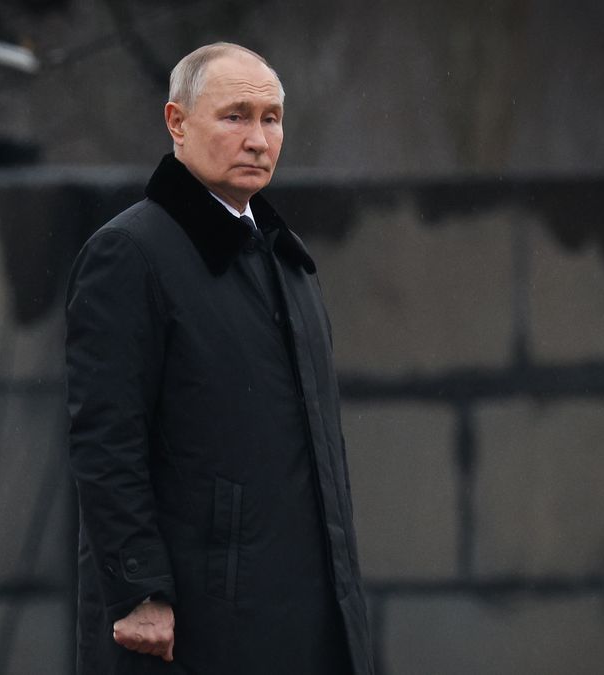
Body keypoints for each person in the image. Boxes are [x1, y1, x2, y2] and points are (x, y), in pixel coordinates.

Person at [66, 42, 373, 675]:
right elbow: (105, 438)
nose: (258, 139)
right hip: (193, 627)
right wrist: (140, 590)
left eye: (271, 118)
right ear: (176, 122)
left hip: (307, 620)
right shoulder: (130, 253)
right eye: (234, 116)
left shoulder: (288, 261)